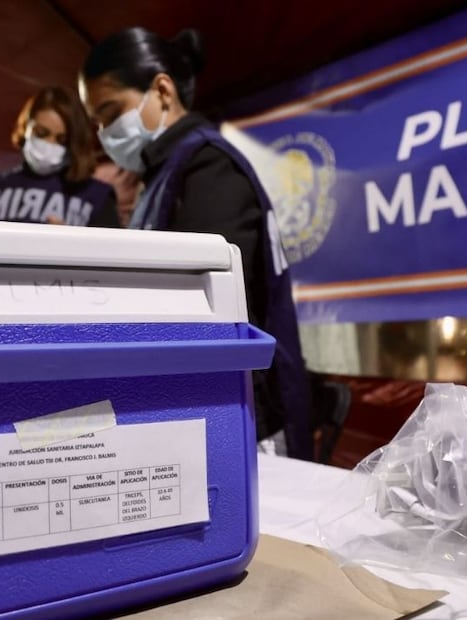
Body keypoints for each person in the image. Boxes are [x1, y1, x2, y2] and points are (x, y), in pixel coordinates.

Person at [80, 28, 313, 459]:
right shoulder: (163, 175)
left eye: (110, 113)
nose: (104, 133)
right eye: (96, 122)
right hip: (203, 409)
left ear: (162, 91)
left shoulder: (207, 168)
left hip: (241, 418)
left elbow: (209, 316)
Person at [0, 86, 119, 227]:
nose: (49, 144)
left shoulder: (97, 196)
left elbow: (111, 246)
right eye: (41, 133)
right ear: (25, 127)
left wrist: (71, 243)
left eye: (61, 139)